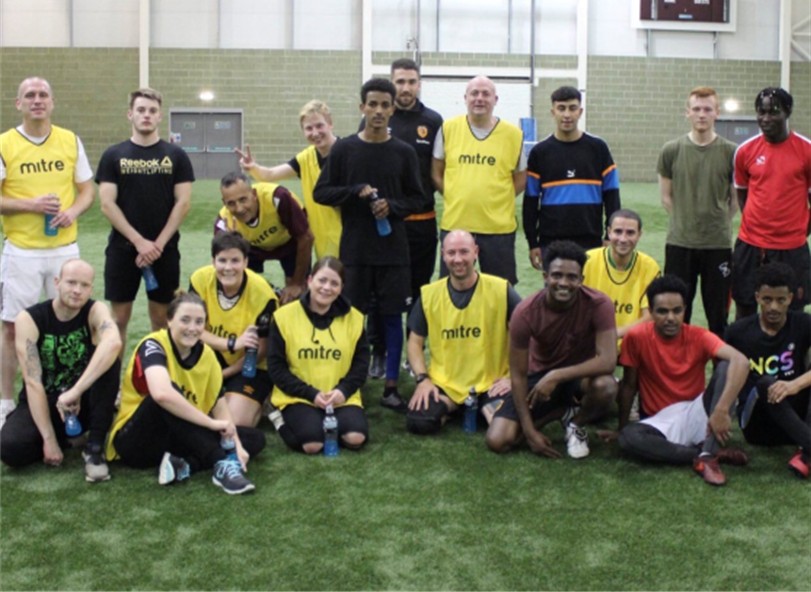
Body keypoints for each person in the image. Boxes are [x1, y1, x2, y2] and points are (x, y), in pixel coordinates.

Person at [313, 78, 423, 412]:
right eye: (371, 104)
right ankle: (349, 383)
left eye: (384, 105)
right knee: (349, 317)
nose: (378, 111)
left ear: (392, 108)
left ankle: (391, 386)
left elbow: (418, 197)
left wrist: (393, 206)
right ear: (362, 107)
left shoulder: (404, 152)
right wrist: (354, 190)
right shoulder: (344, 149)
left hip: (393, 253)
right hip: (356, 251)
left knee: (392, 318)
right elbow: (322, 193)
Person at [0, 77, 95, 429]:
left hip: (64, 250)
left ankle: (76, 393)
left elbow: (87, 191)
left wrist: (73, 211)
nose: (37, 101)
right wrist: (32, 204)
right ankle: (6, 402)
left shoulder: (69, 140)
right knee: (11, 329)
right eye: (30, 96)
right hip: (21, 251)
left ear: (52, 102)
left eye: (42, 95)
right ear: (18, 103)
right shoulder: (5, 143)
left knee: (74, 325)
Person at [106, 292, 265, 495]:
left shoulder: (207, 355)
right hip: (136, 443)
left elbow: (219, 405)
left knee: (254, 438)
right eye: (185, 320)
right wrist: (211, 425)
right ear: (169, 320)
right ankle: (221, 464)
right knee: (169, 396)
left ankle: (186, 465)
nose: (192, 328)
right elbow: (162, 394)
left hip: (176, 439)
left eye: (199, 321)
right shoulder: (153, 344)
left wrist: (236, 446)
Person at [486, 241, 618, 459]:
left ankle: (576, 422)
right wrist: (529, 432)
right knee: (498, 440)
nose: (563, 283)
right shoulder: (525, 312)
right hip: (538, 378)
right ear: (545, 276)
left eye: (572, 277)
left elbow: (608, 360)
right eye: (557, 275)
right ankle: (562, 411)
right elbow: (518, 375)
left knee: (606, 386)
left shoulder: (599, 304)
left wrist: (556, 375)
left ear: (581, 280)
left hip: (578, 375)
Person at [615, 275, 750, 486]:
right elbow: (629, 385)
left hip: (696, 413)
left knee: (726, 367)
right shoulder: (636, 337)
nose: (671, 318)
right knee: (628, 438)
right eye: (662, 311)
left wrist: (722, 410)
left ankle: (705, 451)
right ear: (650, 312)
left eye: (677, 311)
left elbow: (741, 361)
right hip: (658, 422)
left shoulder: (699, 335)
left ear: (684, 310)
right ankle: (706, 454)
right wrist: (621, 427)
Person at [0, 259, 121, 482]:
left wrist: (76, 391)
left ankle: (94, 447)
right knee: (10, 448)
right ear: (57, 283)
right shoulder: (31, 318)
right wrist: (49, 440)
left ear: (91, 289)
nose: (77, 291)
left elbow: (113, 342)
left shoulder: (95, 310)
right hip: (44, 400)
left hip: (82, 399)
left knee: (110, 358)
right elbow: (33, 381)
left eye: (84, 285)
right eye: (71, 283)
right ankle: (65, 439)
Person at [364, 58, 445, 380]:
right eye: (400, 81)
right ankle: (379, 353)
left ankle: (413, 354)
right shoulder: (375, 117)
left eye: (412, 82)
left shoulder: (433, 121)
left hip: (421, 221)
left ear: (419, 84)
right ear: (392, 82)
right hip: (383, 224)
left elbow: (439, 170)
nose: (406, 88)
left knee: (419, 291)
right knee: (378, 291)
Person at [97, 87, 194, 351]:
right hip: (122, 250)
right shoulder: (113, 155)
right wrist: (139, 242)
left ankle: (159, 382)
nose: (146, 115)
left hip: (164, 251)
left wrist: (157, 245)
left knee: (162, 320)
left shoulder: (176, 156)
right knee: (118, 321)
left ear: (160, 116)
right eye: (140, 110)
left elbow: (183, 203)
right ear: (130, 114)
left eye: (152, 111)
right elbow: (107, 204)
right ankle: (112, 388)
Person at [405, 230, 521, 435]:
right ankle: (455, 406)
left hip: (491, 383)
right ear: (443, 254)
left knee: (505, 428)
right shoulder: (429, 294)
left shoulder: (501, 289)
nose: (457, 259)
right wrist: (423, 380)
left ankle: (469, 408)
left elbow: (526, 333)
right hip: (446, 384)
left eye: (464, 252)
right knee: (419, 421)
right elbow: (414, 342)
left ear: (475, 252)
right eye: (451, 253)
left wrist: (513, 377)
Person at [267, 257, 370, 454]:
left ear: (341, 288)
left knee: (356, 438)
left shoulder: (355, 318)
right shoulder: (283, 316)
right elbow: (276, 368)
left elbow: (362, 363)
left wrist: (343, 391)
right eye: (321, 280)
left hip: (340, 397)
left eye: (334, 283)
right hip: (298, 396)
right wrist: (311, 394)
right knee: (313, 445)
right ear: (310, 281)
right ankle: (277, 418)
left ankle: (328, 420)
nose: (326, 288)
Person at [658, 86, 737, 338]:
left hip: (718, 246)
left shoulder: (731, 152)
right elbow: (666, 197)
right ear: (687, 113)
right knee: (678, 312)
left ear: (717, 113)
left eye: (707, 109)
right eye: (696, 109)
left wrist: (718, 222)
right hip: (680, 244)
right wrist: (686, 222)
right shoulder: (671, 150)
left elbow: (735, 200)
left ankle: (721, 370)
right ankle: (678, 368)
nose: (702, 114)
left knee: (718, 315)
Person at [431, 75, 526, 285]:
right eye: (474, 93)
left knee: (500, 292)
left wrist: (497, 200)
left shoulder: (513, 135)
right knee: (451, 290)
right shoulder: (448, 128)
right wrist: (455, 194)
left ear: (495, 99)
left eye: (486, 94)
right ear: (465, 98)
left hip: (498, 229)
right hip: (456, 226)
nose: (479, 98)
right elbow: (436, 172)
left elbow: (520, 179)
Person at [724, 263, 811, 479]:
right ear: (757, 298)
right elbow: (723, 376)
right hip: (758, 425)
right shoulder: (738, 332)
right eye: (767, 299)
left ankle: (806, 453)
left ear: (790, 298)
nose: (773, 307)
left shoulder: (803, 323)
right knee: (765, 382)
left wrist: (794, 385)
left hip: (794, 420)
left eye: (780, 300)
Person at [732, 87, 811, 319]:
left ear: (787, 112)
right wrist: (756, 226)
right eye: (761, 112)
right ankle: (744, 356)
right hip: (750, 244)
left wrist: (797, 232)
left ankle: (795, 356)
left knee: (794, 310)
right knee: (745, 305)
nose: (765, 119)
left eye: (773, 112)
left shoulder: (806, 151)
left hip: (791, 247)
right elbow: (742, 194)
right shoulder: (745, 151)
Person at [523, 86, 620, 270]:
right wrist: (533, 243)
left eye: (572, 108)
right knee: (556, 295)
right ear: (553, 112)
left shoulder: (598, 148)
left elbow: (612, 196)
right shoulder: (540, 152)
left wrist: (609, 236)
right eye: (561, 108)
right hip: (551, 242)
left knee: (590, 294)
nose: (567, 114)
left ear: (580, 111)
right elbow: (530, 202)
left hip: (591, 240)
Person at [189, 232, 278, 427]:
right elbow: (192, 330)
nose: (228, 268)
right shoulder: (199, 279)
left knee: (236, 422)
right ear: (213, 261)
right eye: (222, 260)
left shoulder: (263, 295)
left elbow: (261, 350)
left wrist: (222, 375)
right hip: (210, 356)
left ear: (246, 262)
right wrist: (232, 343)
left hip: (248, 364)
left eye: (235, 261)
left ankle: (261, 402)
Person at [235, 99, 342, 260]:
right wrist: (253, 167)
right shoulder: (306, 158)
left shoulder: (348, 151)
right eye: (308, 128)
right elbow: (269, 175)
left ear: (330, 124)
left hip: (352, 239)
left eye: (319, 125)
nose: (315, 133)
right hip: (324, 242)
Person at [215, 171, 314, 304]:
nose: (239, 209)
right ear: (224, 203)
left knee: (297, 295)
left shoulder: (278, 198)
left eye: (243, 200)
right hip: (252, 248)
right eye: (231, 203)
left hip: (289, 242)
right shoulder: (223, 222)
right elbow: (223, 264)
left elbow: (306, 237)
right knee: (241, 289)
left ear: (254, 195)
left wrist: (296, 283)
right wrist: (234, 242)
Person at [582, 209, 660, 341]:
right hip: (590, 343)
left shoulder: (650, 267)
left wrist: (612, 335)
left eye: (630, 233)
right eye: (618, 232)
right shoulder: (587, 260)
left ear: (639, 235)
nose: (623, 239)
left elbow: (650, 317)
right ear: (609, 232)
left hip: (632, 344)